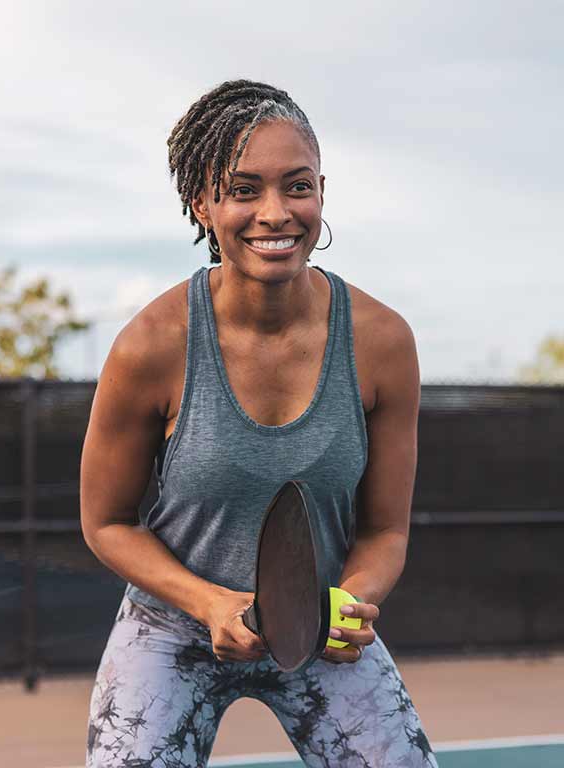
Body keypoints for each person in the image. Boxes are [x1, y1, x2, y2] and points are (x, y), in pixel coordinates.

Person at [81, 78, 438, 768]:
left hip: (316, 622)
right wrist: (210, 604)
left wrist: (350, 602)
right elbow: (106, 524)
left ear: (321, 193)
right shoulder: (150, 343)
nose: (274, 213)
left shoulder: (382, 341)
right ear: (203, 204)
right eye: (243, 190)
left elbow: (385, 529)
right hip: (173, 627)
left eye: (295, 186)